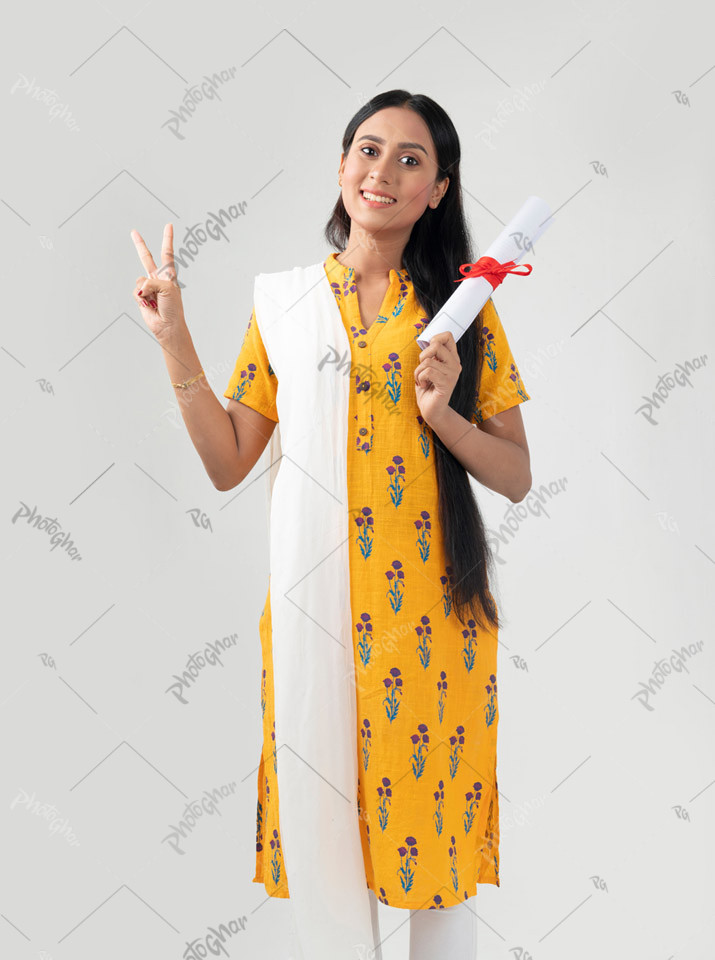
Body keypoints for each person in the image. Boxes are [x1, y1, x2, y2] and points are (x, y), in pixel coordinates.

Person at [130, 89, 532, 960]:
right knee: (324, 841)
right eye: (366, 148)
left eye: (409, 158)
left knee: (437, 855)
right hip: (318, 616)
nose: (381, 171)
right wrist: (174, 340)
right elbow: (230, 461)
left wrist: (443, 416)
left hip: (432, 618)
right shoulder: (282, 303)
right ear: (341, 167)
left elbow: (516, 475)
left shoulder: (461, 310)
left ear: (438, 189)